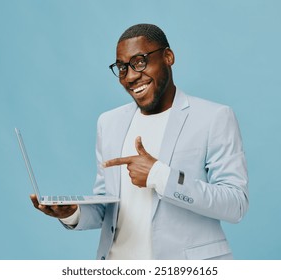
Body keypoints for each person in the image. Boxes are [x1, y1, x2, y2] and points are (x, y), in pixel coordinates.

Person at [30, 23, 249, 260]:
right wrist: (72, 213)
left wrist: (159, 175)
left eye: (140, 61)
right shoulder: (109, 122)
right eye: (122, 68)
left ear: (168, 56)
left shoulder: (213, 117)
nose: (131, 76)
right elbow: (109, 207)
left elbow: (235, 204)